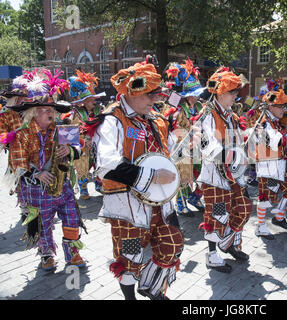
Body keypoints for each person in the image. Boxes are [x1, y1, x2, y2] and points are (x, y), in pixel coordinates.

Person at [92, 56, 199, 300]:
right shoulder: (112, 119)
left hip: (160, 204)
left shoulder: (156, 119)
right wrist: (151, 177)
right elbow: (106, 166)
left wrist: (187, 149)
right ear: (131, 92)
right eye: (150, 94)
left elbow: (169, 150)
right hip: (127, 208)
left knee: (173, 245)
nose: (156, 99)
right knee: (129, 258)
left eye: (157, 94)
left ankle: (150, 286)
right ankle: (130, 297)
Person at [8, 69, 86, 271]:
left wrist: (68, 149)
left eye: (52, 108)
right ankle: (46, 254)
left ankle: (72, 252)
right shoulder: (22, 134)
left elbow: (78, 149)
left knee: (71, 217)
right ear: (34, 112)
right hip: (37, 191)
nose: (51, 112)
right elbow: (17, 164)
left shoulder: (62, 127)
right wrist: (37, 174)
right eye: (45, 109)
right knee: (43, 225)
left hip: (63, 185)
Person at [196, 66, 252, 273]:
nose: (236, 96)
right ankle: (212, 255)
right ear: (220, 92)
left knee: (244, 208)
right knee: (217, 216)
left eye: (237, 92)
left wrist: (253, 136)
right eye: (232, 92)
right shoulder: (208, 115)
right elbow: (207, 146)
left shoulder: (231, 115)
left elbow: (241, 138)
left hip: (233, 174)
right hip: (214, 176)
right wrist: (230, 155)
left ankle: (228, 243)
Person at [252, 88, 287, 240]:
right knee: (265, 197)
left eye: (284, 106)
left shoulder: (275, 121)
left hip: (280, 164)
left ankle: (278, 217)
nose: (284, 109)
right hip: (268, 167)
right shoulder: (264, 122)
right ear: (270, 107)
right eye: (281, 106)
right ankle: (260, 226)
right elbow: (277, 141)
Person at [163, 59, 205, 217]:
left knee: (199, 173)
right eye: (193, 95)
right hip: (183, 149)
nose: (196, 97)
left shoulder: (200, 106)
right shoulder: (178, 110)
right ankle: (180, 204)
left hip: (198, 148)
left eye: (197, 94)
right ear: (186, 96)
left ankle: (194, 197)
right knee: (184, 175)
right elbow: (177, 133)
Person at [65, 70, 106, 199]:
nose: (95, 101)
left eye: (95, 98)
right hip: (82, 146)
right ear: (84, 101)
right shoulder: (75, 113)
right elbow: (69, 133)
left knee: (100, 163)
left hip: (97, 144)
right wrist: (82, 141)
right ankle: (83, 188)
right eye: (91, 99)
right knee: (83, 165)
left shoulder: (101, 110)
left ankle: (100, 184)